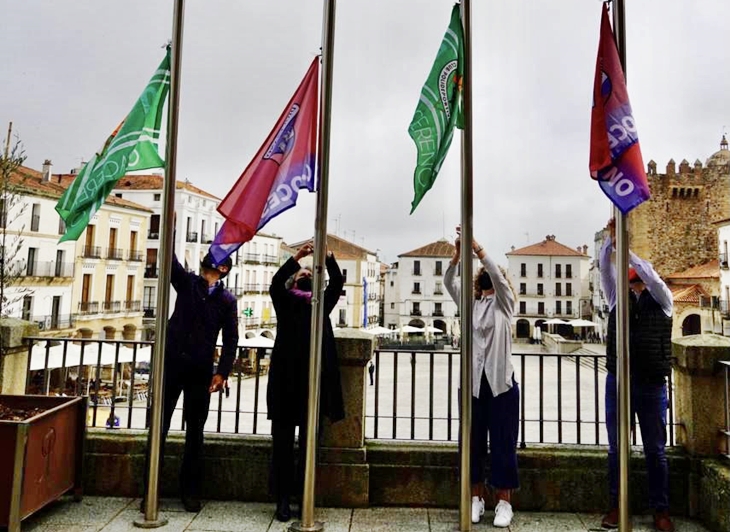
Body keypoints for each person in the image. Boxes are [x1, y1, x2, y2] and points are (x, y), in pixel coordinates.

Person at [143, 251, 238, 513]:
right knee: (159, 427)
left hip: (200, 371)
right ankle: (150, 490)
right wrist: (170, 230)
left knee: (195, 433)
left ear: (225, 270)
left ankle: (190, 492)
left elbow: (231, 340)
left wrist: (222, 372)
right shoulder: (187, 283)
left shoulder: (227, 301)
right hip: (172, 365)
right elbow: (171, 264)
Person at [599, 218, 674, 532]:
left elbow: (650, 276)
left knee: (655, 449)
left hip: (652, 383)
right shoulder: (617, 299)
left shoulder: (664, 300)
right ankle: (617, 504)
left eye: (636, 280)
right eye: (630, 281)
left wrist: (626, 249)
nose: (634, 284)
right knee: (617, 448)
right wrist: (610, 240)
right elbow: (604, 268)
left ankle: (661, 509)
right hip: (619, 382)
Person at [444, 226, 519, 528]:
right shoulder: (470, 304)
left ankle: (504, 503)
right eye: (484, 275)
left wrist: (478, 249)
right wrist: (457, 256)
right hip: (473, 387)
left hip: (501, 386)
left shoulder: (505, 303)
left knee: (503, 445)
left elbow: (499, 279)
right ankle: (476, 498)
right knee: (472, 444)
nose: (488, 278)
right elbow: (449, 281)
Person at [267, 242, 345, 522]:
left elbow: (336, 281)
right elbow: (276, 282)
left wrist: (326, 257)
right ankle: (283, 500)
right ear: (294, 280)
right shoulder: (284, 301)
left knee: (310, 445)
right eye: (302, 273)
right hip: (286, 382)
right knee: (283, 446)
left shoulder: (321, 304)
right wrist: (298, 257)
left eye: (309, 274)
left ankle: (304, 496)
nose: (305, 274)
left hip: (313, 384)